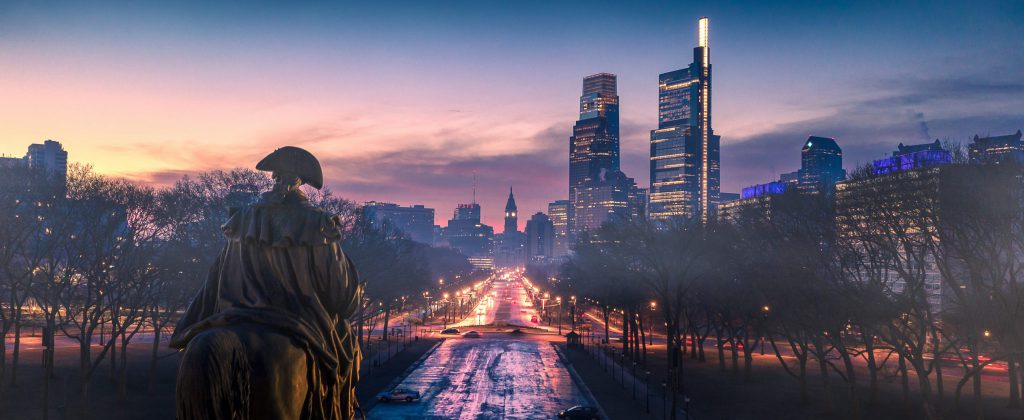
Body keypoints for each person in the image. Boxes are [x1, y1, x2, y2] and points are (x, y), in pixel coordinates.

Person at [171, 146, 362, 419]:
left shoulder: (242, 219)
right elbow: (341, 298)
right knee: (345, 353)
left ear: (274, 176)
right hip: (300, 323)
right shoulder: (318, 223)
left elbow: (215, 277)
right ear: (302, 182)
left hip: (235, 315)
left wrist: (191, 324)